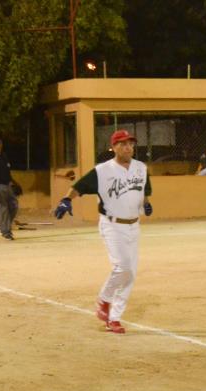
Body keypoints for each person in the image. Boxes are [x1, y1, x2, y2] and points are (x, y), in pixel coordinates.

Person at [53, 130, 153, 334]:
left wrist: (146, 204)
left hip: (134, 225)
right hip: (112, 225)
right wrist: (66, 200)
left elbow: (144, 192)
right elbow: (78, 186)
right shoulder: (103, 170)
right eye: (123, 144)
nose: (128, 147)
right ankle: (104, 299)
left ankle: (114, 318)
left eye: (130, 144)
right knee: (122, 267)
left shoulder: (141, 168)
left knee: (130, 274)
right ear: (114, 147)